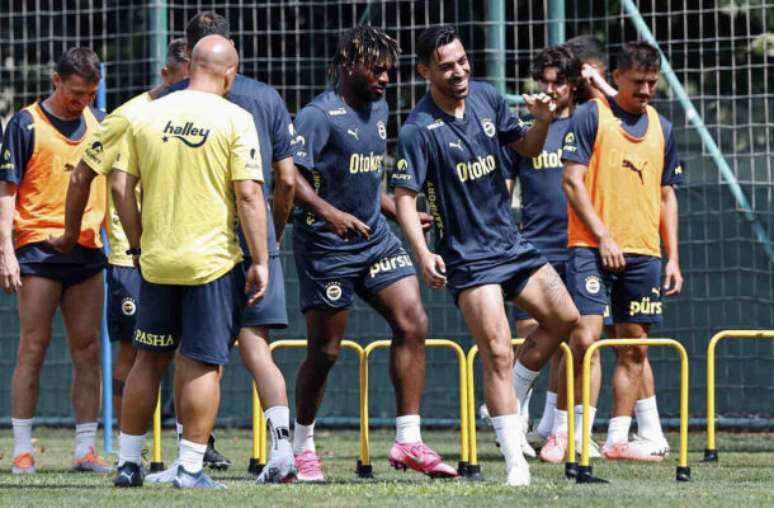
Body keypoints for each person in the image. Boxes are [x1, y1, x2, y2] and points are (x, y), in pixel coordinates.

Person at [391, 25, 580, 486]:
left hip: (511, 245)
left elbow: (529, 149)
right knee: (495, 349)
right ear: (424, 71)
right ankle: (515, 460)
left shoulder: (489, 98)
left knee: (567, 320)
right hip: (468, 260)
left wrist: (542, 121)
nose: (458, 72)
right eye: (446, 66)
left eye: (461, 61)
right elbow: (402, 197)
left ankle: (515, 386)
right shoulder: (418, 128)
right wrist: (422, 253)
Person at [290, 25, 455, 482]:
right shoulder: (317, 116)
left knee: (413, 321)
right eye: (376, 69)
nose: (385, 78)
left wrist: (397, 211)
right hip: (326, 246)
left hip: (376, 238)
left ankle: (408, 440)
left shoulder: (380, 108)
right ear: (348, 64)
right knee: (325, 351)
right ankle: (300, 448)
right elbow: (290, 179)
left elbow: (362, 179)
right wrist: (329, 214)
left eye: (389, 71)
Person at [143, 11, 299, 483]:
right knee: (257, 351)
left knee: (190, 354)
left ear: (188, 56)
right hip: (254, 245)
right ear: (232, 53)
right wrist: (268, 242)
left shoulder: (170, 98)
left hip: (194, 242)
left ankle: (188, 455)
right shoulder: (267, 97)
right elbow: (286, 180)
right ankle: (284, 450)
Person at [111, 34, 269, 489]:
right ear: (230, 72)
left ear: (192, 65)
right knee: (201, 361)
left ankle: (127, 464)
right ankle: (192, 468)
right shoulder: (236, 118)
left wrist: (139, 245)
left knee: (148, 359)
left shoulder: (146, 114)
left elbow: (121, 186)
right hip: (211, 264)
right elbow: (249, 193)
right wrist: (261, 260)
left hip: (156, 261)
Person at [549, 40, 683, 462]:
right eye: (638, 82)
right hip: (590, 247)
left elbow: (666, 195)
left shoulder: (663, 128)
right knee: (586, 339)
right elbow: (572, 182)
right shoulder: (592, 116)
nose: (645, 91)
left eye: (652, 84)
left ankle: (618, 440)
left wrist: (672, 256)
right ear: (617, 77)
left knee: (636, 348)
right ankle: (573, 435)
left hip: (644, 253)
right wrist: (604, 236)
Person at [50, 37, 190, 432]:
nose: (189, 91)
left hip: (185, 252)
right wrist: (71, 233)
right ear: (166, 75)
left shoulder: (206, 113)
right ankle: (131, 441)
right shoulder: (128, 117)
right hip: (132, 257)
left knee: (188, 347)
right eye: (182, 81)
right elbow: (83, 175)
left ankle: (193, 440)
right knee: (135, 348)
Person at [0, 47, 112, 474]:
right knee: (33, 347)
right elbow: (6, 193)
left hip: (86, 252)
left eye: (89, 94)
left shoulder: (100, 124)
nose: (81, 101)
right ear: (56, 81)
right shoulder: (26, 123)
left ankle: (85, 450)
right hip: (38, 251)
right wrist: (6, 251)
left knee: (87, 350)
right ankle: (22, 451)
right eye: (75, 93)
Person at [495, 46, 589, 458]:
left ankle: (563, 429)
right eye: (543, 82)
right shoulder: (526, 129)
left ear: (572, 85)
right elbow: (504, 188)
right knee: (530, 336)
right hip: (534, 246)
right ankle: (516, 423)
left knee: (580, 338)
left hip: (580, 246)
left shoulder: (587, 125)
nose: (549, 90)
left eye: (558, 82)